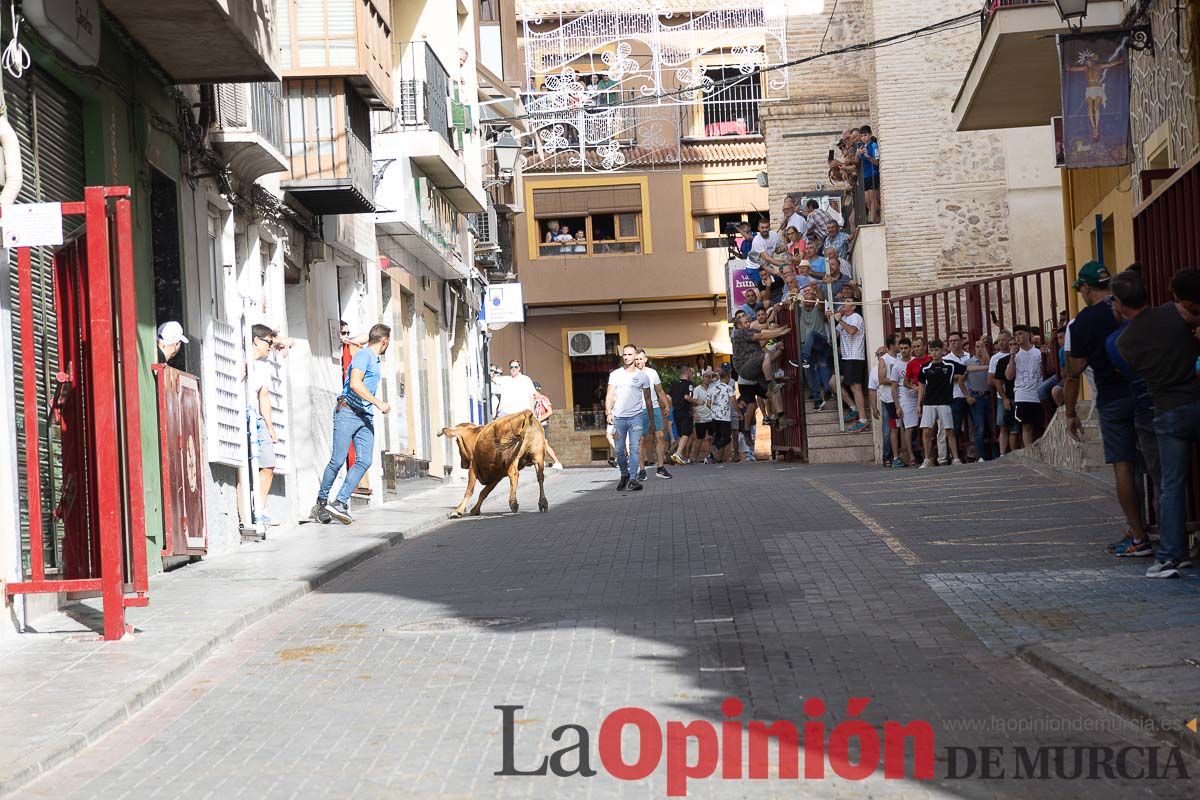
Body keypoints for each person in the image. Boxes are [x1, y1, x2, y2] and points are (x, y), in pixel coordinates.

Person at [1113, 268, 1200, 579]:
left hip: (1166, 410)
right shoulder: (1174, 312)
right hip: (1196, 396)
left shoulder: (1123, 344)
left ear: (1120, 303)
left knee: (1171, 486)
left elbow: (1138, 372)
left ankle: (1171, 556)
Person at [1063, 261, 1150, 556]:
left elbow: (1074, 371)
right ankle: (1166, 530)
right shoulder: (1129, 306)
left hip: (1112, 398)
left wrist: (1070, 412)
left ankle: (1139, 536)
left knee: (1123, 466)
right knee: (1158, 464)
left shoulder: (1083, 322)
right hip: (1145, 392)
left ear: (1086, 288)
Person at [313, 324, 391, 525]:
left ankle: (340, 502)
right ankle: (321, 502)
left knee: (364, 460)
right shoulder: (363, 356)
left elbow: (368, 335)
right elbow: (355, 384)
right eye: (387, 341)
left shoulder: (371, 356)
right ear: (385, 341)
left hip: (365, 415)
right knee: (338, 460)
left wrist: (354, 339)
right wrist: (379, 403)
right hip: (348, 411)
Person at [605, 344, 655, 491]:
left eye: (629, 355)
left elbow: (648, 399)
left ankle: (633, 479)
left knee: (634, 449)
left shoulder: (642, 377)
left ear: (635, 356)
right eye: (624, 355)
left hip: (636, 418)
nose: (626, 357)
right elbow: (608, 396)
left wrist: (651, 419)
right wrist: (608, 413)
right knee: (620, 451)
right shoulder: (615, 374)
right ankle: (624, 475)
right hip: (619, 418)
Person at [245, 324, 280, 527]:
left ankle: (260, 507)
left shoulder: (264, 365)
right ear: (256, 341)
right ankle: (247, 514)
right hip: (242, 415)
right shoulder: (240, 359)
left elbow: (264, 397)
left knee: (268, 464)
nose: (270, 347)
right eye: (268, 342)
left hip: (257, 419)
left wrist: (271, 427)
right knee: (244, 466)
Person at [916, 339, 965, 468]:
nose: (934, 353)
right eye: (932, 350)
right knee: (926, 431)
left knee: (949, 430)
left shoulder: (950, 365)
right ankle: (927, 459)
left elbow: (967, 369)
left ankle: (955, 458)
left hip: (945, 402)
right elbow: (921, 385)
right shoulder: (925, 367)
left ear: (942, 351)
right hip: (929, 403)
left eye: (936, 350)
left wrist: (987, 367)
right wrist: (918, 403)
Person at [634, 350, 673, 480]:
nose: (639, 361)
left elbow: (660, 390)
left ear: (645, 359)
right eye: (636, 359)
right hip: (639, 410)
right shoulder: (631, 374)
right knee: (641, 440)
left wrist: (667, 405)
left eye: (641, 359)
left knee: (660, 436)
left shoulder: (652, 373)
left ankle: (660, 468)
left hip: (655, 407)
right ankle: (642, 470)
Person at [831, 299, 868, 433]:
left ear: (853, 307)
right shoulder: (844, 318)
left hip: (855, 356)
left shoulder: (856, 317)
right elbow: (834, 337)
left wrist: (839, 320)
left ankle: (863, 419)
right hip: (845, 357)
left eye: (847, 301)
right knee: (833, 383)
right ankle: (853, 408)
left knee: (855, 387)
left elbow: (852, 331)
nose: (843, 302)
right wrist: (831, 318)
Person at [1005, 325, 1045, 449]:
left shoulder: (1038, 353)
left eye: (1020, 334)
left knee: (1039, 425)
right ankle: (1029, 451)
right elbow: (1009, 376)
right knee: (1026, 426)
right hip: (1022, 394)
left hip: (1038, 393)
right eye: (1016, 334)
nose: (1017, 337)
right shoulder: (1015, 355)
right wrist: (1012, 357)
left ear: (1028, 335)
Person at [875, 336, 902, 468]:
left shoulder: (901, 357)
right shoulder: (884, 360)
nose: (901, 345)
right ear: (891, 345)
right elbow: (881, 379)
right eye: (898, 343)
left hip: (902, 398)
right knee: (891, 428)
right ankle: (889, 456)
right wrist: (896, 381)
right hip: (889, 399)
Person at [531, 382, 566, 471]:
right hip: (537, 426)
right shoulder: (533, 400)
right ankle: (541, 461)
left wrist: (539, 419)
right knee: (537, 445)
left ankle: (557, 462)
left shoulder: (543, 399)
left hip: (543, 425)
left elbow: (550, 412)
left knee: (545, 444)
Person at [706, 364, 736, 463]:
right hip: (725, 417)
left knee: (717, 436)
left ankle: (712, 457)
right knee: (727, 438)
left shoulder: (712, 388)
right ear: (727, 377)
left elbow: (708, 404)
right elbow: (732, 401)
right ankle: (715, 448)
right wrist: (737, 412)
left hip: (714, 416)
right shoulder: (729, 388)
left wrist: (714, 410)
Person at [669, 366, 695, 465]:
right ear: (687, 372)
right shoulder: (689, 384)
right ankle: (678, 453)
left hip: (676, 412)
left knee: (681, 434)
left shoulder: (674, 384)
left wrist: (671, 406)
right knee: (686, 433)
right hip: (685, 411)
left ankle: (673, 452)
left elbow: (668, 396)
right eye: (690, 372)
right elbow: (687, 397)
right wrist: (696, 402)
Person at [691, 368, 716, 462]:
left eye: (710, 377)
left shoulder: (713, 388)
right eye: (706, 376)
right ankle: (695, 458)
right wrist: (695, 414)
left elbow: (718, 377)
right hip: (701, 417)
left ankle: (709, 456)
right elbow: (693, 402)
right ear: (702, 378)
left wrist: (713, 374)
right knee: (699, 439)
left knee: (711, 438)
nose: (708, 379)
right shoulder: (697, 389)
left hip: (711, 417)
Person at [858, 125, 880, 224]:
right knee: (867, 201)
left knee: (872, 198)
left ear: (870, 135)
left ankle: (872, 219)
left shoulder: (874, 145)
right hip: (865, 176)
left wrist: (868, 156)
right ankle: (873, 217)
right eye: (862, 136)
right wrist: (857, 154)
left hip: (873, 174)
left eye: (865, 135)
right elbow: (857, 161)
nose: (864, 138)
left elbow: (877, 162)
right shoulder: (862, 146)